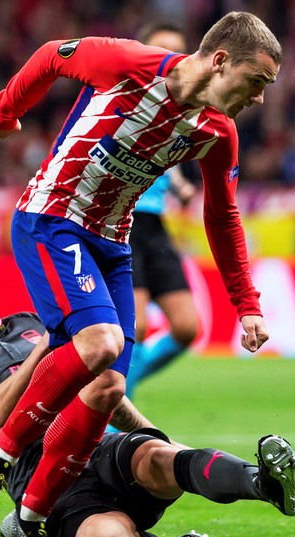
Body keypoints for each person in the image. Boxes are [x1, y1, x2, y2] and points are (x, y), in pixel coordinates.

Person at [0, 10, 283, 537]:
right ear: (221, 61)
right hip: (51, 218)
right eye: (258, 81)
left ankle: (29, 520)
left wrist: (246, 305)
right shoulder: (128, 64)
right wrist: (4, 109)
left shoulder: (216, 131)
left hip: (112, 245)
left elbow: (222, 216)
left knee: (110, 388)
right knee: (100, 344)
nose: (259, 98)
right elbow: (51, 56)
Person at [0, 240, 295, 537]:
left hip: (99, 449)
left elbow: (106, 391)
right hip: (45, 486)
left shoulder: (28, 323)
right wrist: (48, 346)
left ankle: (263, 483)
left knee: (159, 455)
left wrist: (159, 437)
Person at [124, 23, 199, 409]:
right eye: (162, 52)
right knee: (134, 328)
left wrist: (180, 184)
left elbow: (166, 159)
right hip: (126, 222)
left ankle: (113, 386)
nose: (172, 61)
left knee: (187, 327)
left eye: (179, 53)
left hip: (156, 226)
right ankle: (118, 421)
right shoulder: (127, 101)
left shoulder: (179, 111)